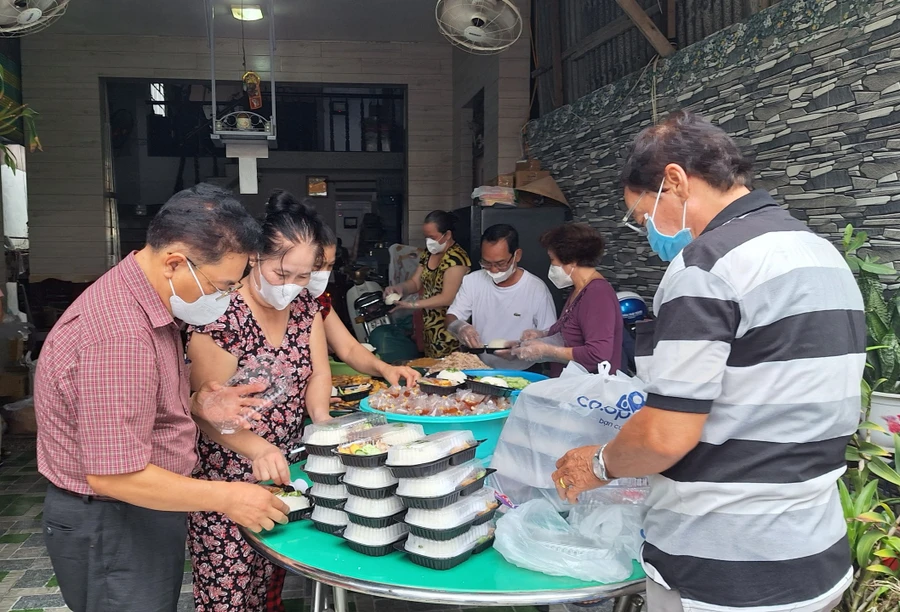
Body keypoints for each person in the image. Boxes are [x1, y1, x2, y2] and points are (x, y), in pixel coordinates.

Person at [552, 111, 864, 612]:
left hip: (724, 569)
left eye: (642, 216)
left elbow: (664, 436)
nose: (648, 231)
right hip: (814, 553)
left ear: (674, 180)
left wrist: (599, 462)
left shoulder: (706, 264)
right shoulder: (820, 252)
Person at [33, 184, 290, 612]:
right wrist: (229, 497)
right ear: (174, 262)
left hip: (135, 509)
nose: (224, 302)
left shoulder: (143, 295)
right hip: (113, 518)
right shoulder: (120, 337)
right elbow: (113, 475)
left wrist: (192, 403)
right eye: (222, 286)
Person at [186, 190, 334, 611]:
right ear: (254, 258)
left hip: (283, 469)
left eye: (304, 277)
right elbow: (207, 410)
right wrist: (257, 448)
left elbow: (319, 372)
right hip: (227, 478)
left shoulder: (305, 308)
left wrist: (321, 421)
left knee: (270, 582)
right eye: (282, 273)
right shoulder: (221, 316)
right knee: (230, 593)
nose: (292, 288)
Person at [277, 191, 420, 388]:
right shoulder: (244, 306)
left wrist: (385, 369)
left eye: (330, 266)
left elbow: (348, 348)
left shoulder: (313, 301)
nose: (323, 274)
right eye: (317, 266)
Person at [512, 223, 623, 375]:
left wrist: (548, 350)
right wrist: (541, 336)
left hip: (589, 393)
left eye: (552, 260)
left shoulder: (597, 295)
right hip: (570, 386)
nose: (551, 265)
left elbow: (598, 353)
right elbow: (571, 332)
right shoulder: (579, 290)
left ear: (572, 261)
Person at [445, 224, 557, 370]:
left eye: (500, 263)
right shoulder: (473, 281)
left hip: (524, 370)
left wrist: (532, 341)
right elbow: (451, 317)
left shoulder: (536, 289)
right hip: (481, 368)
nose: (493, 270)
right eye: (486, 263)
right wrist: (460, 327)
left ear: (517, 255)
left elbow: (552, 336)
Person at [385, 210, 470, 358]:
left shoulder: (457, 259)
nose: (428, 242)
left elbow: (447, 298)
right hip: (429, 328)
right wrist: (400, 288)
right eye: (426, 237)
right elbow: (415, 283)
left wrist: (412, 305)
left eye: (432, 237)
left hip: (449, 330)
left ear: (447, 235)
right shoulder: (429, 254)